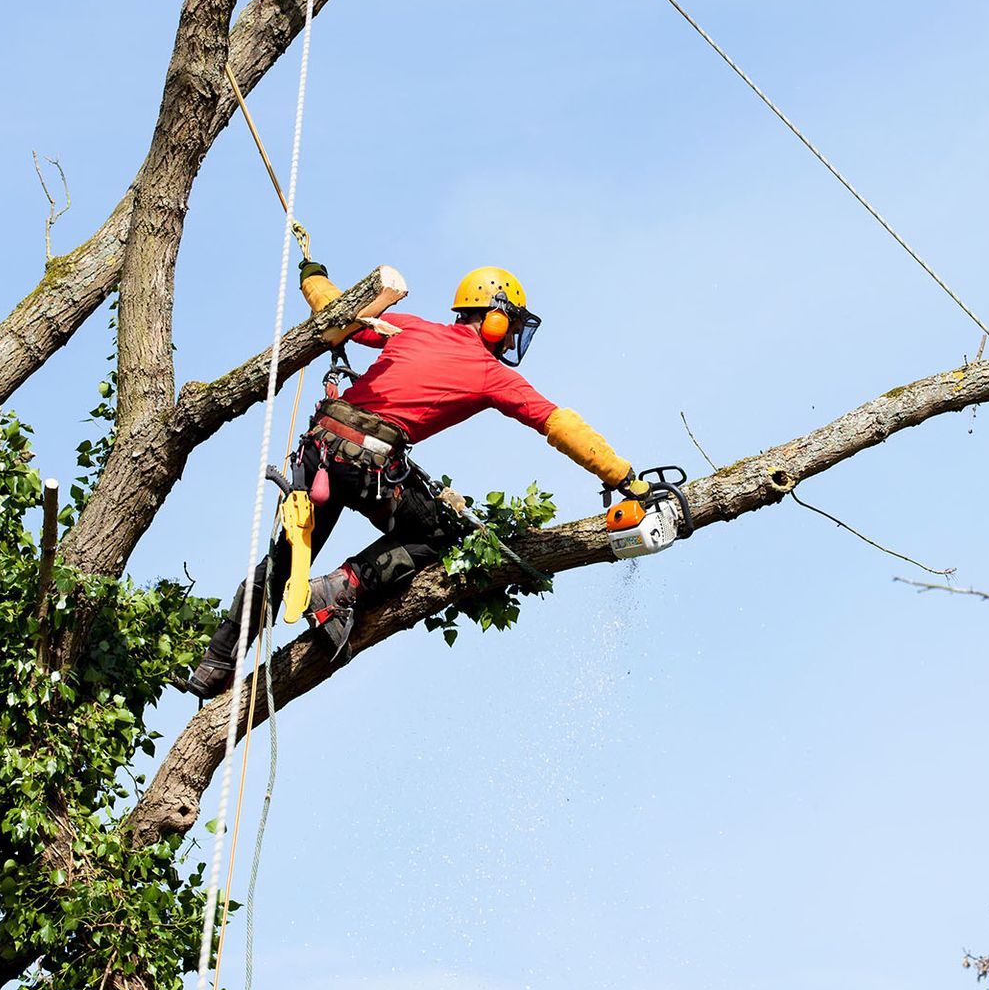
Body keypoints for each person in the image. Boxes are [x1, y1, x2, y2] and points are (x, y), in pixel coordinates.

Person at [178, 265, 653, 698]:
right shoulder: (490, 375)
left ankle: (215, 663)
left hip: (320, 451)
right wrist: (624, 477)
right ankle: (339, 589)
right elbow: (559, 424)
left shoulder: (411, 327)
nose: (509, 343)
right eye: (510, 329)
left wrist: (313, 276)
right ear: (495, 318)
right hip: (368, 465)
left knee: (284, 563)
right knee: (440, 535)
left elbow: (335, 306)